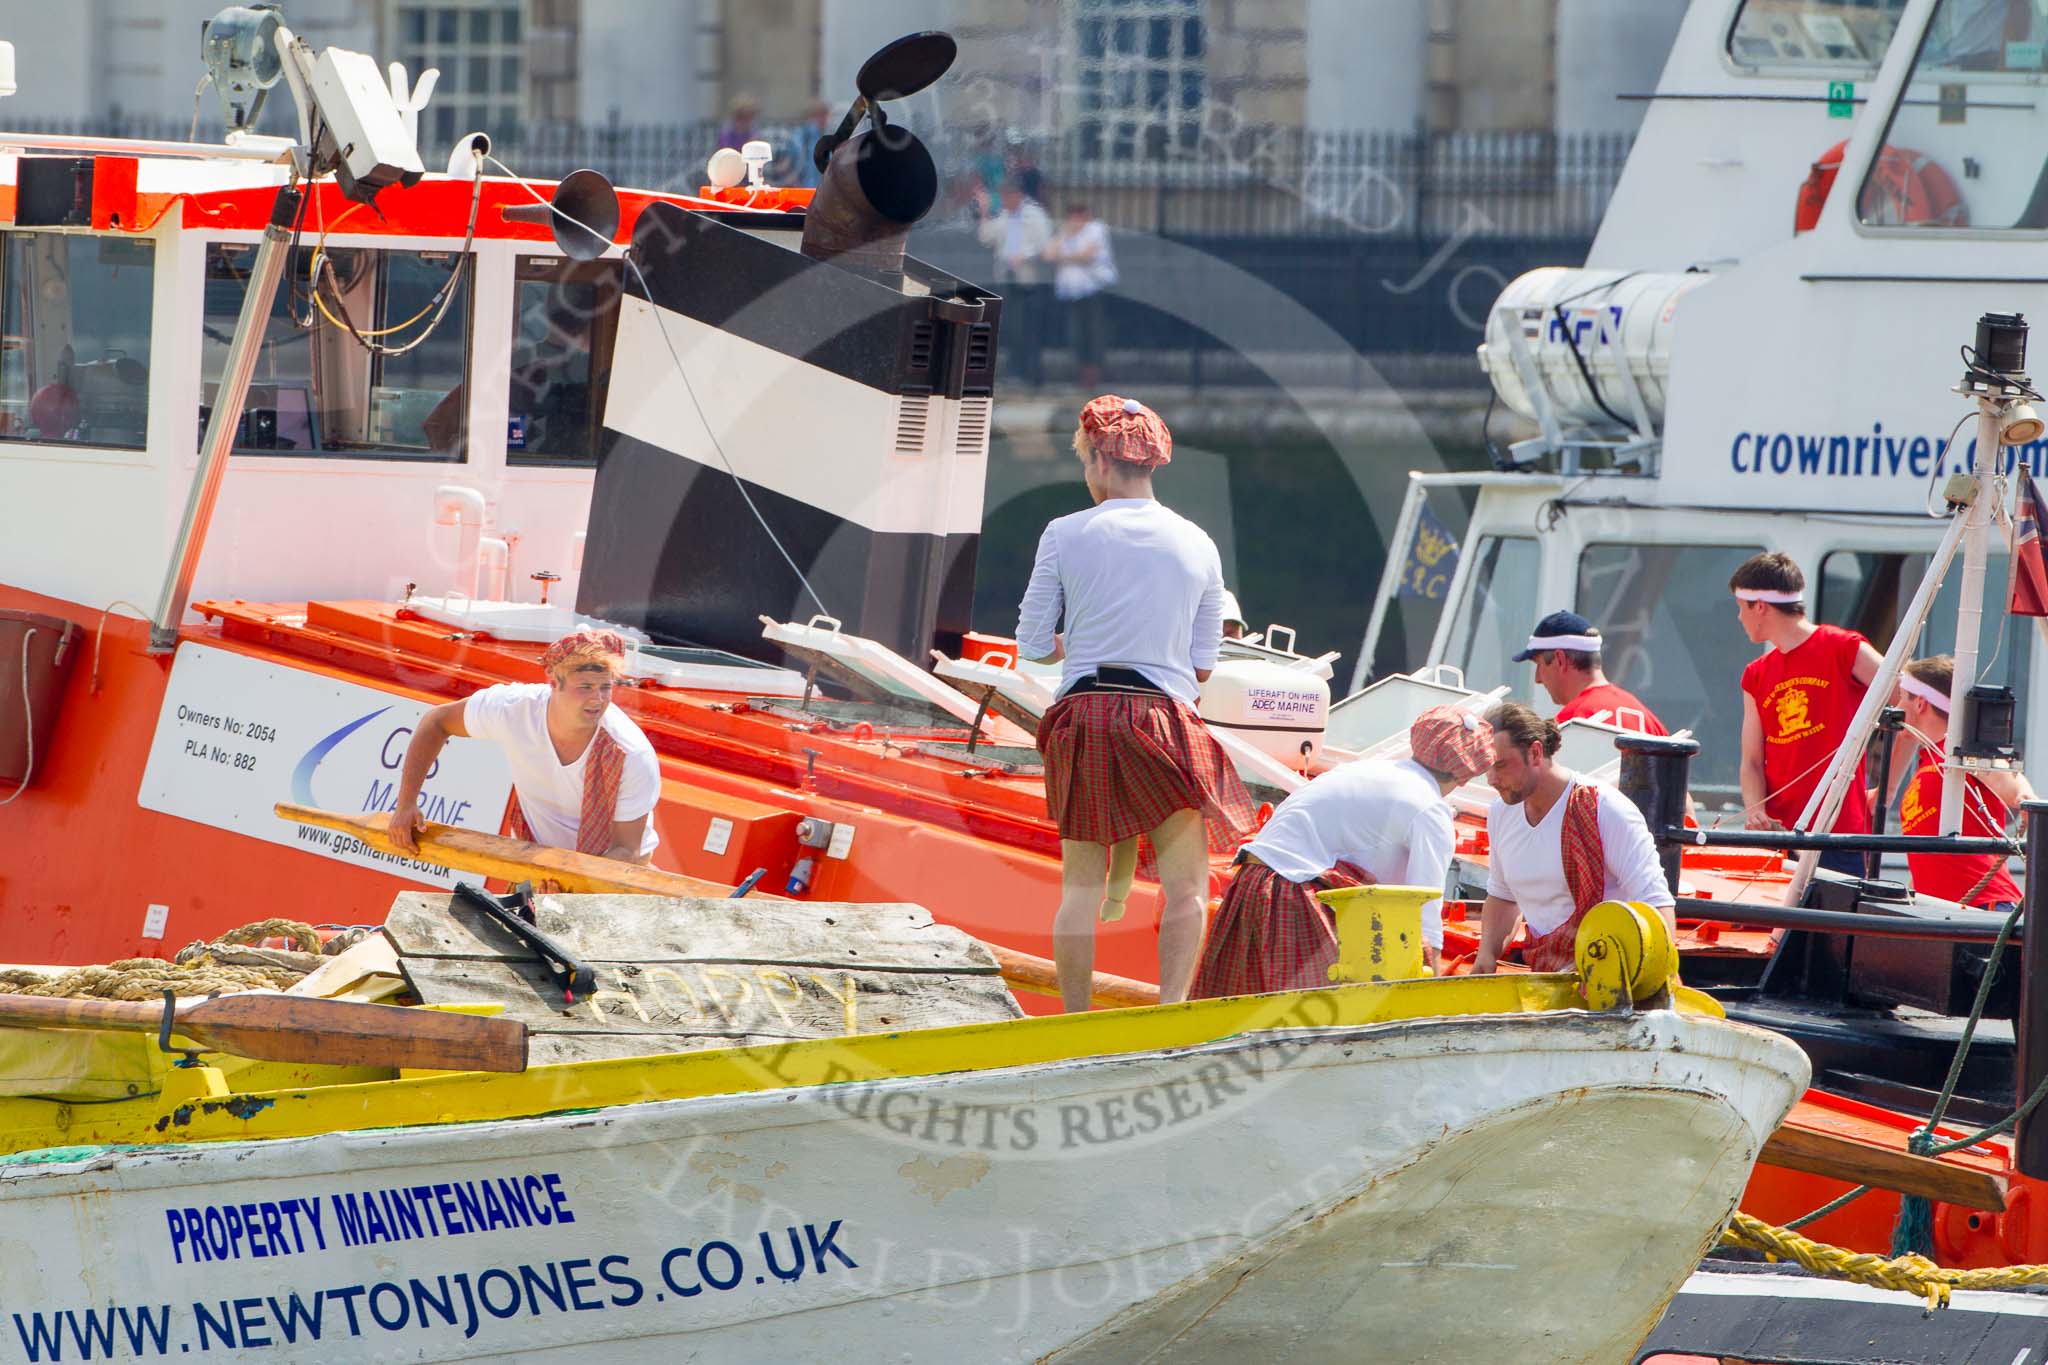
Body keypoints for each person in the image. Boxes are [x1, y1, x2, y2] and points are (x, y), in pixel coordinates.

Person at [1017, 394, 1256, 1010]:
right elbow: (1203, 666)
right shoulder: (1199, 542)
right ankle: (1170, 1010)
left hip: (1087, 712)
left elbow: (1034, 644)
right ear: (1153, 459)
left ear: (1098, 457)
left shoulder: (1064, 533)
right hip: (1163, 717)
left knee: (1080, 887)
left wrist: (1089, 639)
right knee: (1187, 889)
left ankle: (1073, 1018)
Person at [1191, 705, 1494, 997]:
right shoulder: (1430, 809)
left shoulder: (1364, 770)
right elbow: (1424, 914)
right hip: (1292, 896)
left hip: (1250, 883)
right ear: (1467, 774)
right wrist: (1429, 994)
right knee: (1313, 1025)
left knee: (1236, 1014)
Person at [389, 629, 661, 868]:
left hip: (609, 876)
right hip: (538, 863)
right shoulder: (514, 708)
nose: (597, 699)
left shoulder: (631, 753)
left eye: (605, 687)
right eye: (586, 687)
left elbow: (626, 851)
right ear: (554, 683)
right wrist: (406, 805)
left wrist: (575, 885)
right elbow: (436, 721)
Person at [1474, 702, 1675, 974]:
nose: (1491, 779)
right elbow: (1503, 896)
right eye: (1487, 767)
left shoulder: (1606, 809)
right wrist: (1486, 954)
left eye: (1500, 765)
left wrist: (1654, 977)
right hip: (1545, 976)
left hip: (1613, 975)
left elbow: (1654, 903)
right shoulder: (1501, 812)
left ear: (1534, 752)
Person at [1731, 552, 1883, 879]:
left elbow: (1910, 705)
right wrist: (1756, 812)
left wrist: (1889, 786)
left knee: (1833, 929)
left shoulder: (1845, 648)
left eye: (1740, 607)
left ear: (1759, 606)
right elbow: (1752, 762)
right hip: (1781, 837)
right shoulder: (1755, 674)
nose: (1739, 618)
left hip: (1839, 834)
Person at [1892, 655, 2025, 912]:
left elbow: (2004, 777)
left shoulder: (1960, 752)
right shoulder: (1929, 758)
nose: (1897, 705)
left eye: (1902, 696)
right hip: (1946, 911)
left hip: (1984, 908)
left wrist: (2023, 797)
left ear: (1920, 703)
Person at [1512, 609, 1668, 734]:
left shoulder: (1572, 724)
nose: (1537, 678)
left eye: (1539, 665)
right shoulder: (1650, 721)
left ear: (1560, 659)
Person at [974, 180, 1052, 388]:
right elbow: (986, 238)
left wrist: (1024, 256)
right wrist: (984, 212)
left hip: (1029, 281)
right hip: (1007, 279)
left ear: (1017, 195)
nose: (1005, 201)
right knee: (1012, 328)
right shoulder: (1004, 216)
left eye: (1008, 196)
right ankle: (1015, 373)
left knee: (1031, 330)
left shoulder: (1035, 216)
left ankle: (1033, 375)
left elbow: (1044, 246)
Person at [1045, 202, 1116, 390]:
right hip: (1072, 292)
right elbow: (1049, 254)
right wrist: (1066, 235)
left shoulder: (1096, 230)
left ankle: (1094, 375)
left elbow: (1087, 255)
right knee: (1076, 334)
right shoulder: (1065, 232)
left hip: (1093, 290)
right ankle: (1081, 373)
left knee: (1094, 333)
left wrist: (1065, 256)